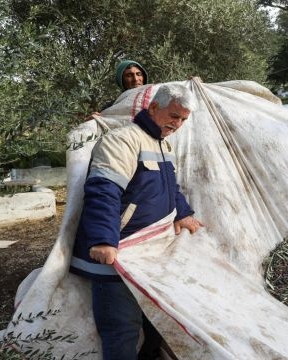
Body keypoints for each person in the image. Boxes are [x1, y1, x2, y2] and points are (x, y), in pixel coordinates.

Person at [70, 83, 203, 359]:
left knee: (154, 324)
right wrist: (104, 240)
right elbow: (103, 189)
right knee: (121, 329)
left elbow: (170, 188)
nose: (177, 124)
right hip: (118, 256)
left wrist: (184, 213)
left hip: (148, 256)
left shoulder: (163, 144)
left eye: (183, 120)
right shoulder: (122, 141)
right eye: (174, 116)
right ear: (154, 108)